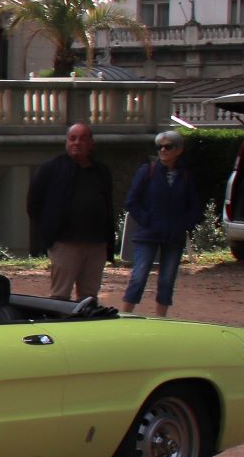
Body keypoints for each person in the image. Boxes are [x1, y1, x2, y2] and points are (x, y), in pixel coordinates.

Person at [27, 122, 116, 301]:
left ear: (91, 143)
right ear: (66, 142)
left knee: (89, 297)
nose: (77, 143)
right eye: (72, 138)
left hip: (96, 243)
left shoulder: (101, 171)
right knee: (59, 295)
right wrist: (49, 235)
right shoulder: (50, 169)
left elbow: (108, 204)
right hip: (65, 244)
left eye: (83, 139)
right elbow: (33, 205)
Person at [120, 129, 204, 316]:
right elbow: (132, 201)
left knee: (167, 280)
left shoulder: (185, 176)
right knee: (138, 277)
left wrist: (186, 224)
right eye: (160, 147)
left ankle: (160, 319)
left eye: (168, 147)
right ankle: (125, 315)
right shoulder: (147, 171)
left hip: (174, 236)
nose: (163, 151)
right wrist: (146, 220)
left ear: (179, 150)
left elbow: (194, 205)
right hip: (148, 234)